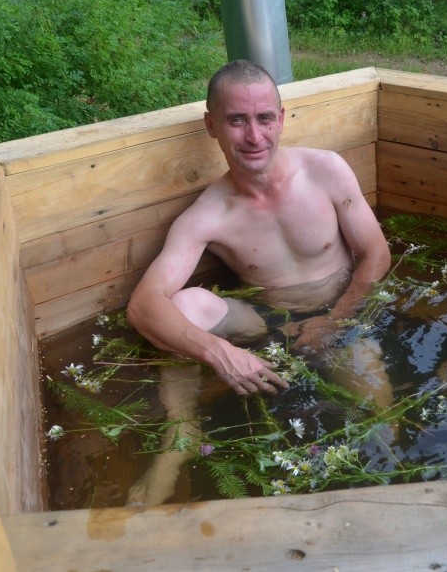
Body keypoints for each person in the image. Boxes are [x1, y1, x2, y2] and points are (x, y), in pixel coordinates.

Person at [127, 59, 392, 395]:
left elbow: (375, 253)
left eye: (264, 118)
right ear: (211, 125)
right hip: (265, 322)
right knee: (185, 307)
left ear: (280, 120)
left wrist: (334, 322)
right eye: (236, 120)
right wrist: (221, 354)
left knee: (379, 419)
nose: (254, 137)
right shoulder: (207, 216)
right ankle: (184, 431)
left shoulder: (325, 171)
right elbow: (143, 304)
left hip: (344, 309)